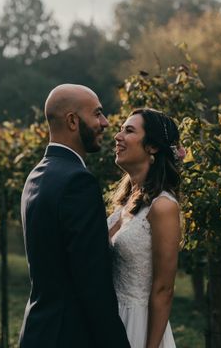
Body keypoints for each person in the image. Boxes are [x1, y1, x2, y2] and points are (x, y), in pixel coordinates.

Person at [19, 84, 130, 348]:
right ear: (72, 121)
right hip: (69, 335)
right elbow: (92, 283)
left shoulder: (37, 175)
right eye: (97, 114)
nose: (105, 123)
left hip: (38, 331)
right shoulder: (78, 181)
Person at [108, 108, 184, 348]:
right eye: (120, 130)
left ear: (152, 147)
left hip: (138, 325)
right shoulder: (126, 202)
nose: (118, 137)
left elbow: (164, 289)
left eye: (128, 130)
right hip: (112, 319)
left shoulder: (163, 207)